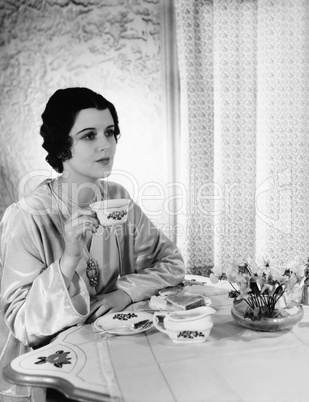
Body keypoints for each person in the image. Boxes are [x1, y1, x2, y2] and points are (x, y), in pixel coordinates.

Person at [0, 87, 185, 401]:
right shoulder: (27, 217)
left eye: (110, 132)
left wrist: (123, 293)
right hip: (56, 371)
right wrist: (69, 259)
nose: (105, 145)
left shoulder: (117, 198)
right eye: (89, 136)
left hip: (121, 346)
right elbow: (20, 321)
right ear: (62, 147)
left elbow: (171, 262)